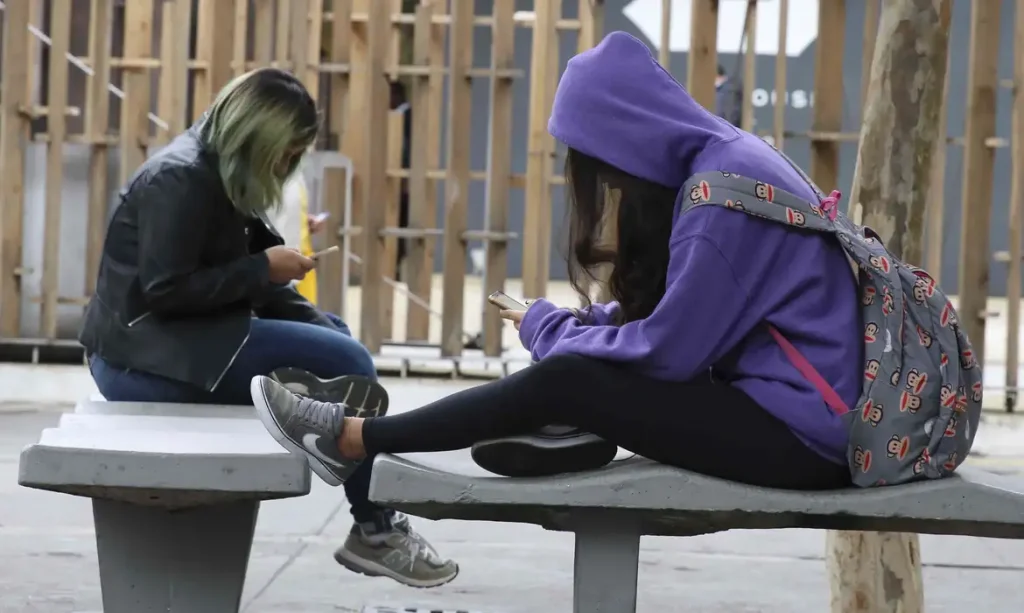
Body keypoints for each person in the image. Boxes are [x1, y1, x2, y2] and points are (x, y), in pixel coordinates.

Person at [247, 32, 860, 495]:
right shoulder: (733, 161)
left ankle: (353, 439)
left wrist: (553, 331)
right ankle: (570, 423)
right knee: (580, 376)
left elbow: (669, 351)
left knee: (569, 379)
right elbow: (706, 310)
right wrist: (590, 325)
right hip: (795, 407)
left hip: (808, 437)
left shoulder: (717, 197)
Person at [79, 67, 458, 588]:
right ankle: (375, 528)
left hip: (182, 341)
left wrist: (313, 317)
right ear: (258, 137)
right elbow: (167, 292)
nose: (287, 165)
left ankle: (350, 477)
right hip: (139, 358)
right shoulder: (181, 178)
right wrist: (264, 270)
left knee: (339, 342)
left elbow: (260, 282)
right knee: (349, 365)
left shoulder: (218, 172)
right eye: (286, 153)